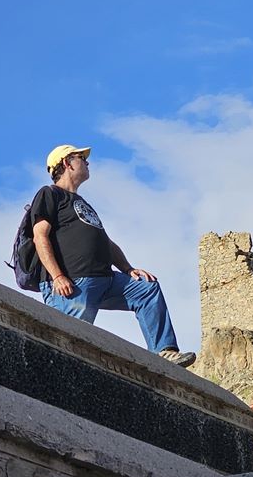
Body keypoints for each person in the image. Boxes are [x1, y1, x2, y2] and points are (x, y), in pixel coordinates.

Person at [31, 144, 195, 367]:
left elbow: (105, 243)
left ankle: (164, 352)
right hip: (74, 284)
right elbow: (40, 236)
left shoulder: (82, 204)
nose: (87, 162)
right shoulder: (50, 194)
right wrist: (57, 276)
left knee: (146, 288)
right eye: (81, 157)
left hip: (106, 280)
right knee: (68, 343)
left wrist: (128, 269)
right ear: (67, 163)